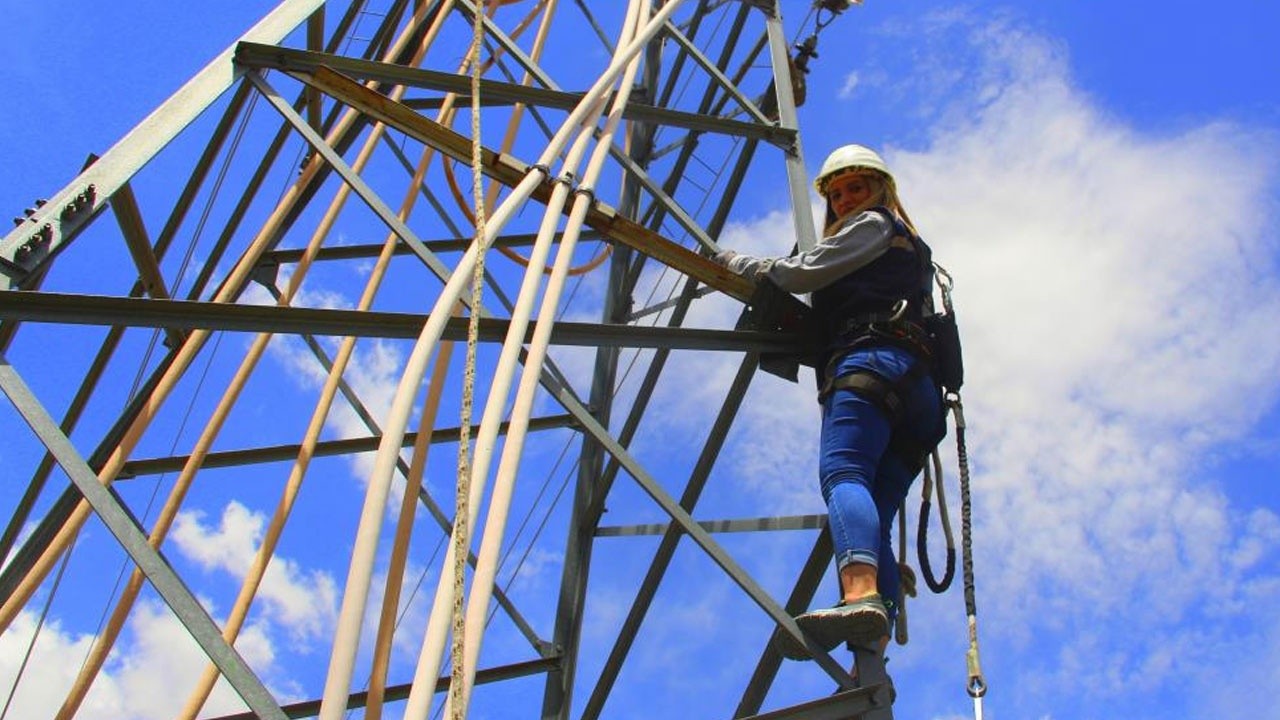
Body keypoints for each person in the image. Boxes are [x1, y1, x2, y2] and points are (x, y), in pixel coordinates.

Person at [717, 144, 946, 661]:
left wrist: (739, 264)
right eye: (837, 193)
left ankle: (861, 594)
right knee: (877, 517)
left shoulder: (874, 225)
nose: (845, 200)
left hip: (874, 366)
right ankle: (875, 640)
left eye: (855, 188)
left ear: (879, 189)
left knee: (844, 474)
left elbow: (797, 273)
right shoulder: (904, 248)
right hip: (918, 396)